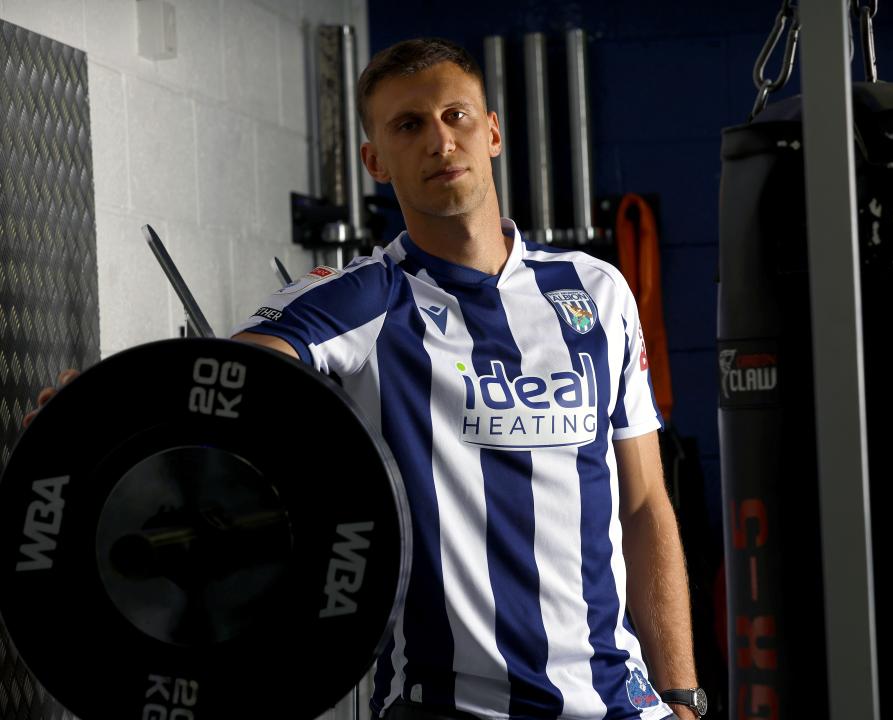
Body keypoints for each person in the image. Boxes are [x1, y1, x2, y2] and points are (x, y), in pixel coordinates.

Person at [25, 37, 701, 720]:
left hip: (622, 703)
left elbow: (644, 504)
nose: (440, 141)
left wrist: (681, 693)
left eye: (456, 116)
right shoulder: (359, 300)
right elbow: (216, 385)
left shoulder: (596, 293)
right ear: (376, 160)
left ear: (491, 131)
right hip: (443, 708)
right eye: (409, 125)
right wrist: (93, 421)